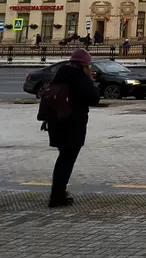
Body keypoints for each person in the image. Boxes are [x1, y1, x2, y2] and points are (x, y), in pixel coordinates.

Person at [47, 47, 100, 207]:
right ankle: (57, 197)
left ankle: (58, 193)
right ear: (84, 65)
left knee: (63, 158)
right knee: (67, 160)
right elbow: (94, 98)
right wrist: (92, 82)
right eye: (89, 65)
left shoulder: (60, 74)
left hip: (56, 122)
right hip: (73, 124)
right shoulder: (80, 78)